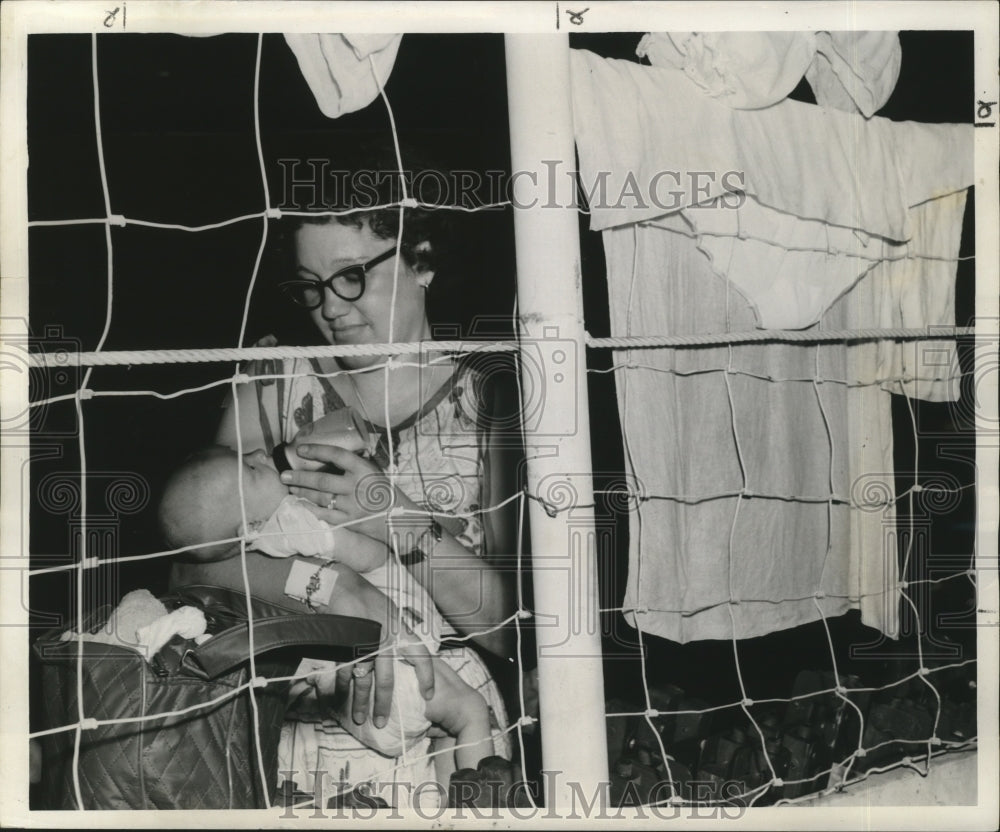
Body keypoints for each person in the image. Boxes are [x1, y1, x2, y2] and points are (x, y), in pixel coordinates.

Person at [168, 154, 521, 806]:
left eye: (352, 277)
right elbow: (189, 565)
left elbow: (507, 627)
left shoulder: (491, 398)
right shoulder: (272, 380)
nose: (330, 307)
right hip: (295, 717)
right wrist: (337, 591)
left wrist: (392, 515)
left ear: (422, 259)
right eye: (310, 285)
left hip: (447, 710)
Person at [157, 444, 498, 771]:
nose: (261, 454)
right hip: (395, 671)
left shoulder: (257, 546)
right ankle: (480, 801)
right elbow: (370, 556)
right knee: (470, 713)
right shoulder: (297, 520)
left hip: (353, 704)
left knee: (444, 734)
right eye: (251, 468)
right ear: (250, 527)